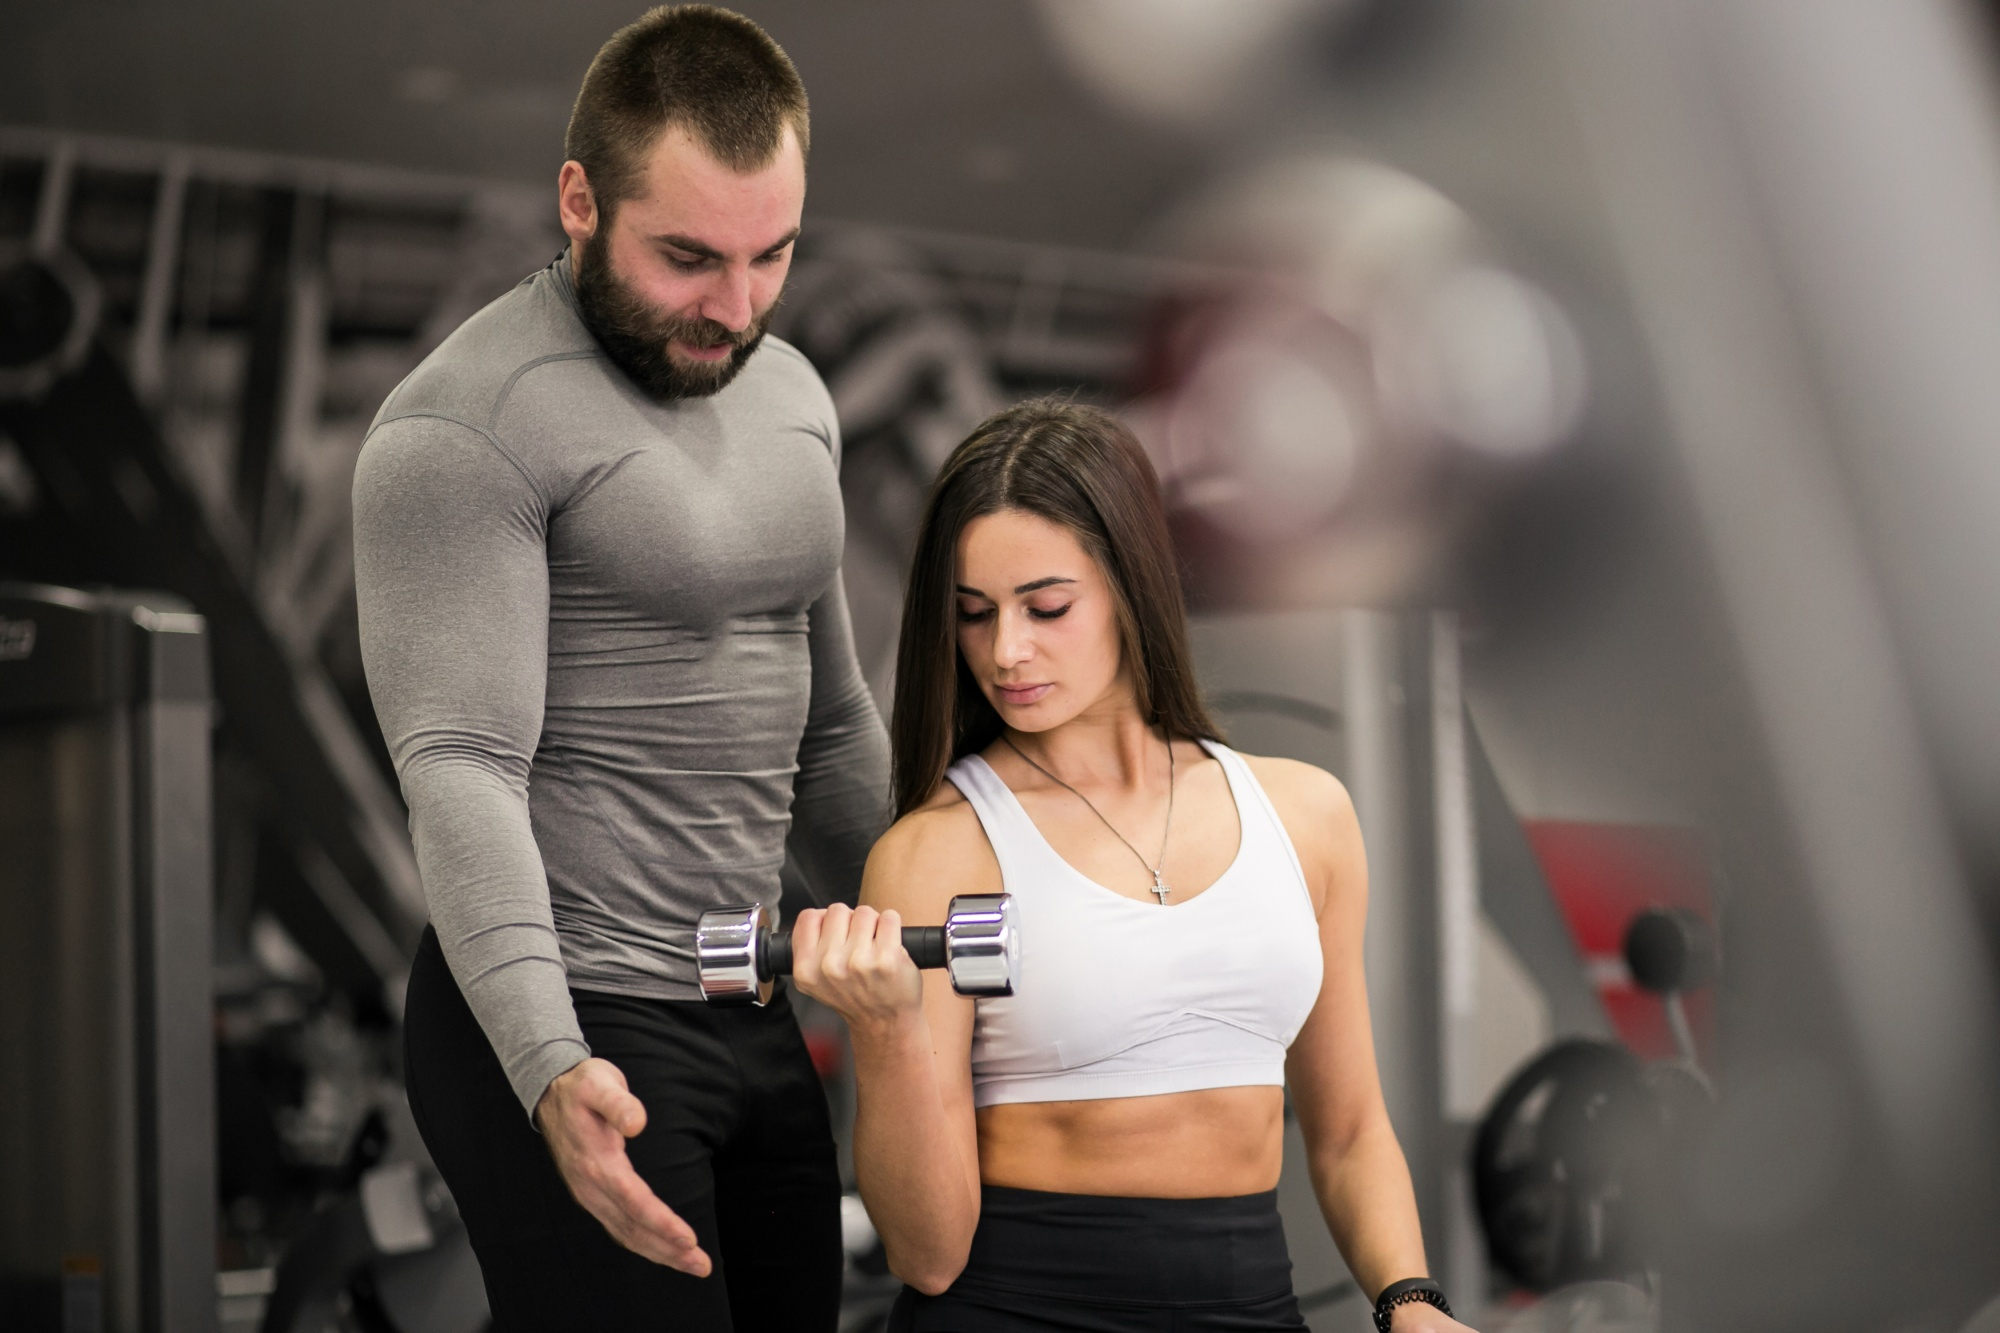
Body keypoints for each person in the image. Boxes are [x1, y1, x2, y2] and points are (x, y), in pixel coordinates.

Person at [351, 8, 888, 1330]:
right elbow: (462, 769)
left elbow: (832, 734)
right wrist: (546, 1062)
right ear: (580, 200)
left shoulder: (797, 397)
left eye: (774, 256)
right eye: (690, 258)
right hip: (569, 1003)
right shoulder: (463, 421)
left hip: (746, 1000)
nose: (739, 306)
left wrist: (937, 954)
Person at [789, 400, 1480, 1332]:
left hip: (1250, 1306)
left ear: (1130, 583)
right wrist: (884, 1030)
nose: (1007, 651)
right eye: (974, 614)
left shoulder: (1306, 814)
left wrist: (1410, 1298)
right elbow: (926, 1253)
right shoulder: (936, 851)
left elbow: (1352, 1129)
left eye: (1047, 606)